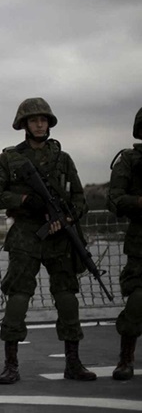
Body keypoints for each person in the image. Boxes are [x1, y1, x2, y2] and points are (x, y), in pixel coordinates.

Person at [0, 97, 96, 384]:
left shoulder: (63, 159)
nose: (40, 124)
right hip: (26, 234)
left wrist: (65, 219)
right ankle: (11, 365)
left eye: (43, 120)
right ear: (24, 124)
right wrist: (23, 200)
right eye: (34, 120)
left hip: (60, 237)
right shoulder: (10, 159)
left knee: (67, 297)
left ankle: (73, 362)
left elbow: (79, 199)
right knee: (18, 297)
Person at [107, 107, 142, 381]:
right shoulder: (129, 161)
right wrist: (139, 201)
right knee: (137, 302)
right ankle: (126, 357)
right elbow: (114, 199)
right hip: (140, 242)